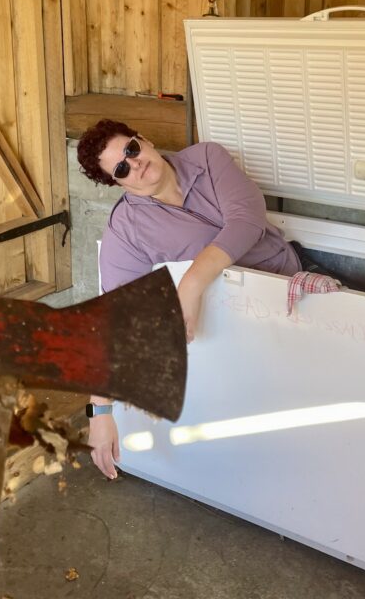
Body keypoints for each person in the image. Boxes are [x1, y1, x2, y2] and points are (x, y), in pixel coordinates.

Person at [76, 118, 301, 479]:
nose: (135, 164)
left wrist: (191, 284)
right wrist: (99, 412)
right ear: (118, 184)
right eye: (121, 169)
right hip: (227, 323)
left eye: (131, 149)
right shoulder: (126, 228)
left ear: (144, 139)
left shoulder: (208, 158)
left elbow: (247, 219)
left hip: (284, 289)